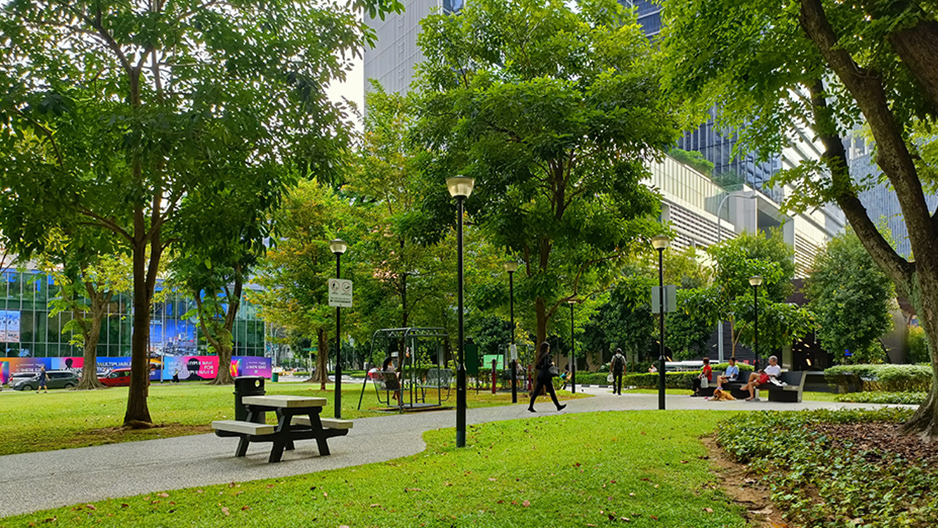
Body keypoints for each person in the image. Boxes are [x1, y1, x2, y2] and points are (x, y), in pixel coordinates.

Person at [528, 342, 566, 413]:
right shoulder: (546, 355)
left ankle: (530, 406)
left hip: (540, 375)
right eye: (548, 347)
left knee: (536, 392)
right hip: (546, 376)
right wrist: (551, 364)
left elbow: (537, 366)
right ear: (546, 348)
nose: (549, 349)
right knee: (552, 392)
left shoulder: (540, 356)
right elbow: (546, 365)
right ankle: (558, 406)